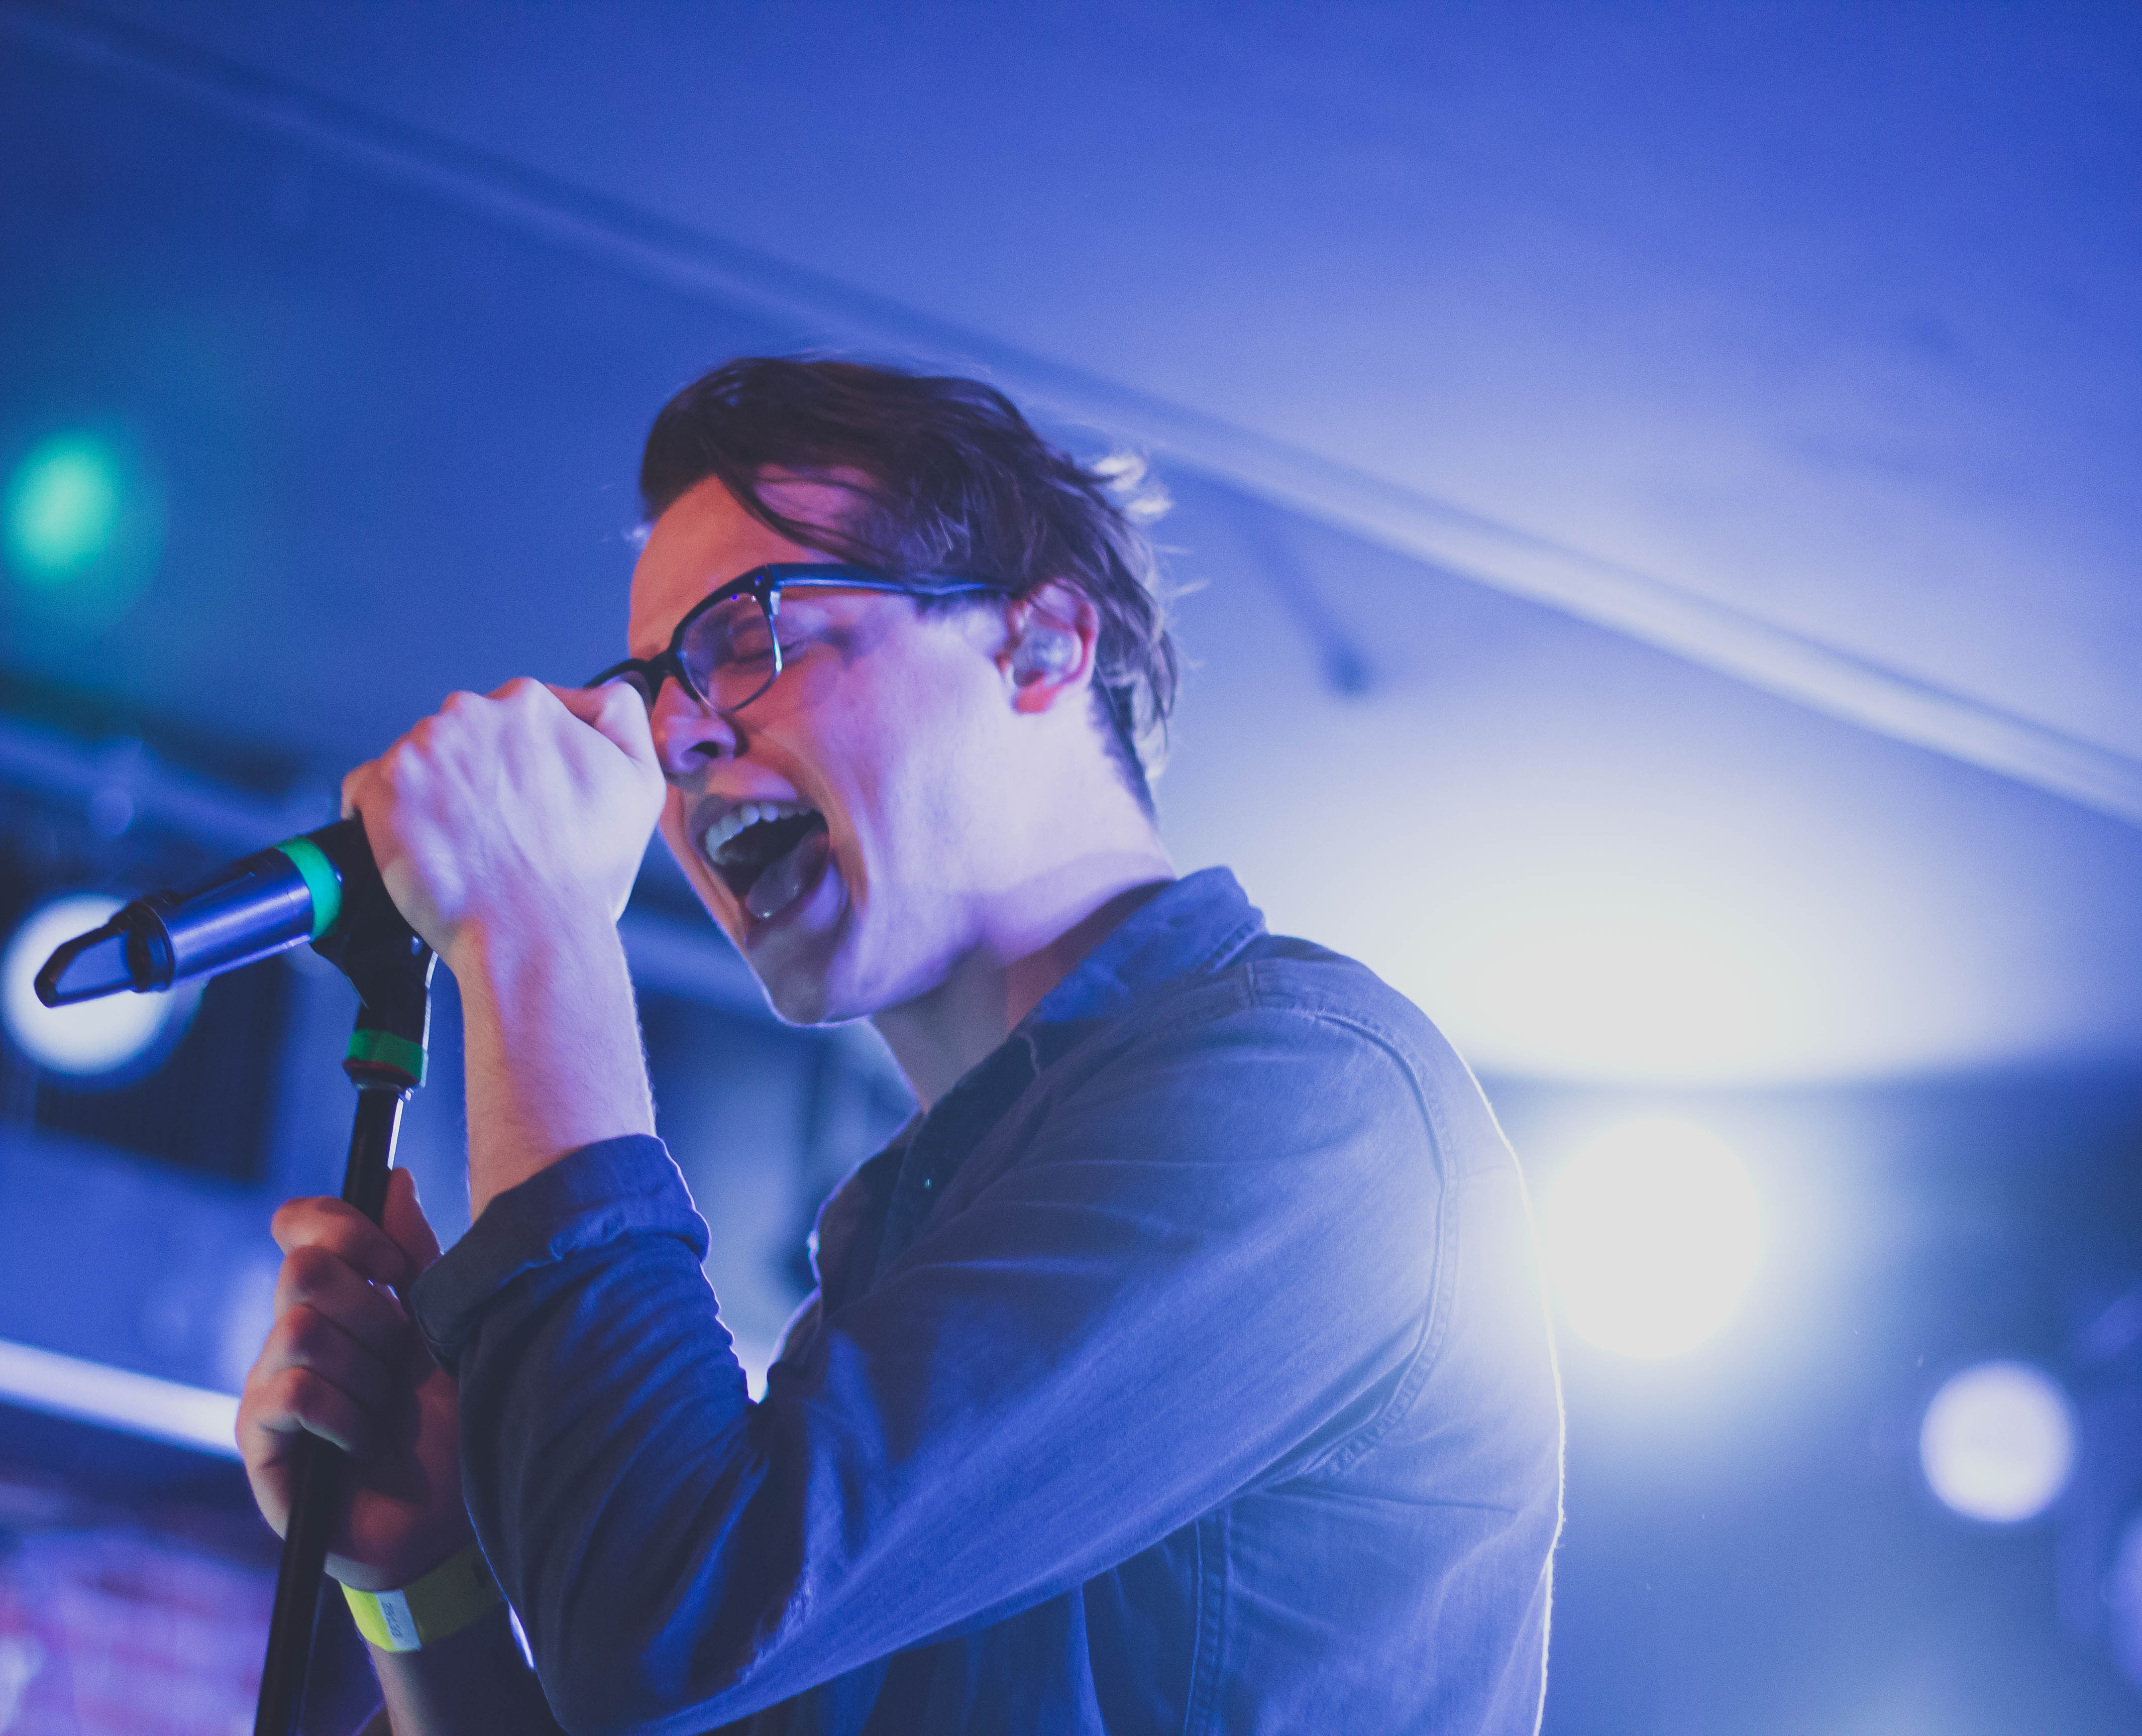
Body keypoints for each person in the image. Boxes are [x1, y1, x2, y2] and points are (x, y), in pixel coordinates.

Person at [235, 358, 1563, 1735]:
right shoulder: (901, 1248)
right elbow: (664, 1649)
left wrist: (535, 928)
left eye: (748, 634)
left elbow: (673, 1616)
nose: (674, 737)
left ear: (1042, 644)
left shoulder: (1311, 1107)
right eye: (651, 686)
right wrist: (425, 1584)